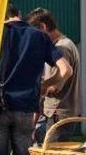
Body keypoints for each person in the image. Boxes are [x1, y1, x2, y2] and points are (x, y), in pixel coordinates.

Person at [0, 4, 72, 155]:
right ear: (18, 14)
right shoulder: (40, 36)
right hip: (27, 107)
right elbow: (66, 70)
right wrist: (46, 85)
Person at [27, 7, 81, 143]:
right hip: (59, 112)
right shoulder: (65, 44)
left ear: (43, 27)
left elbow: (54, 87)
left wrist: (40, 86)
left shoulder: (60, 49)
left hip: (58, 113)